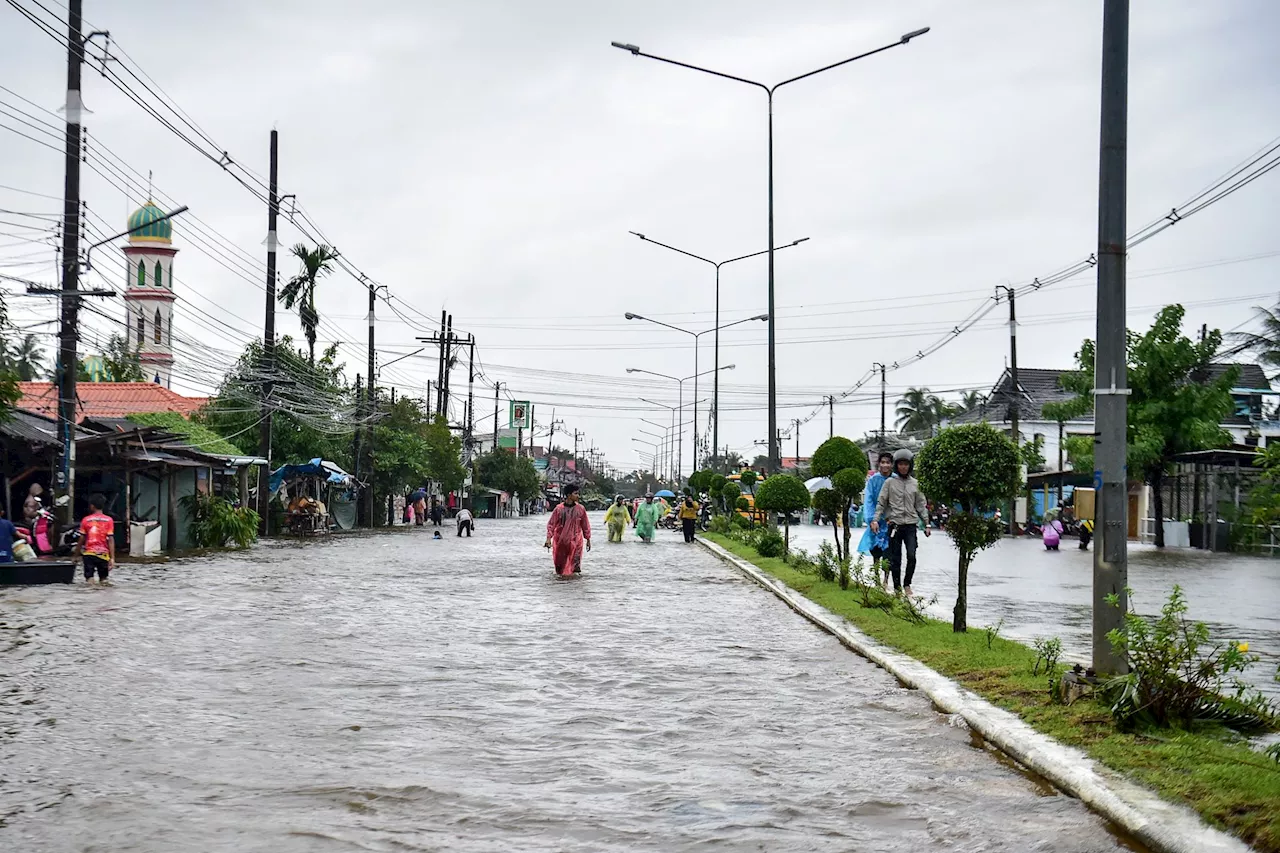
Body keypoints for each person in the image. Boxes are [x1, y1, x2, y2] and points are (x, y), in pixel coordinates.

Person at [871, 449, 931, 596]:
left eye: (906, 464)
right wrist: (875, 520)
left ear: (910, 466)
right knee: (895, 558)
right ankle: (897, 587)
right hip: (895, 525)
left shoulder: (916, 484)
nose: (903, 467)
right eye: (900, 464)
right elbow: (881, 503)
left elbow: (921, 505)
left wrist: (927, 523)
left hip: (910, 525)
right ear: (896, 466)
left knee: (911, 555)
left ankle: (907, 584)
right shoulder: (890, 483)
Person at [857, 452, 894, 589]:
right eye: (882, 462)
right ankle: (877, 579)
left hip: (891, 521)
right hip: (876, 521)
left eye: (887, 462)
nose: (885, 465)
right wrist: (872, 519)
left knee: (889, 552)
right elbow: (869, 500)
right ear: (879, 464)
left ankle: (886, 580)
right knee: (876, 551)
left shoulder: (896, 479)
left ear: (891, 464)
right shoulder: (873, 480)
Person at [545, 483, 591, 575]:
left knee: (575, 568)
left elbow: (585, 525)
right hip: (561, 542)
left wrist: (588, 539)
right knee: (559, 568)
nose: (578, 496)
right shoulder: (559, 509)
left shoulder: (581, 509)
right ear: (569, 495)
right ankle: (562, 586)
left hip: (576, 541)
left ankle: (573, 587)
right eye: (576, 493)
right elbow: (551, 525)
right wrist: (548, 539)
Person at [75, 493, 116, 585]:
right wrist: (112, 558)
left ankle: (90, 597)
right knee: (104, 580)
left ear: (92, 506)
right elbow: (110, 539)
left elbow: (81, 539)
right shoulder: (109, 520)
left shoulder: (86, 520)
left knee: (89, 579)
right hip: (103, 555)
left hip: (89, 554)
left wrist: (76, 555)